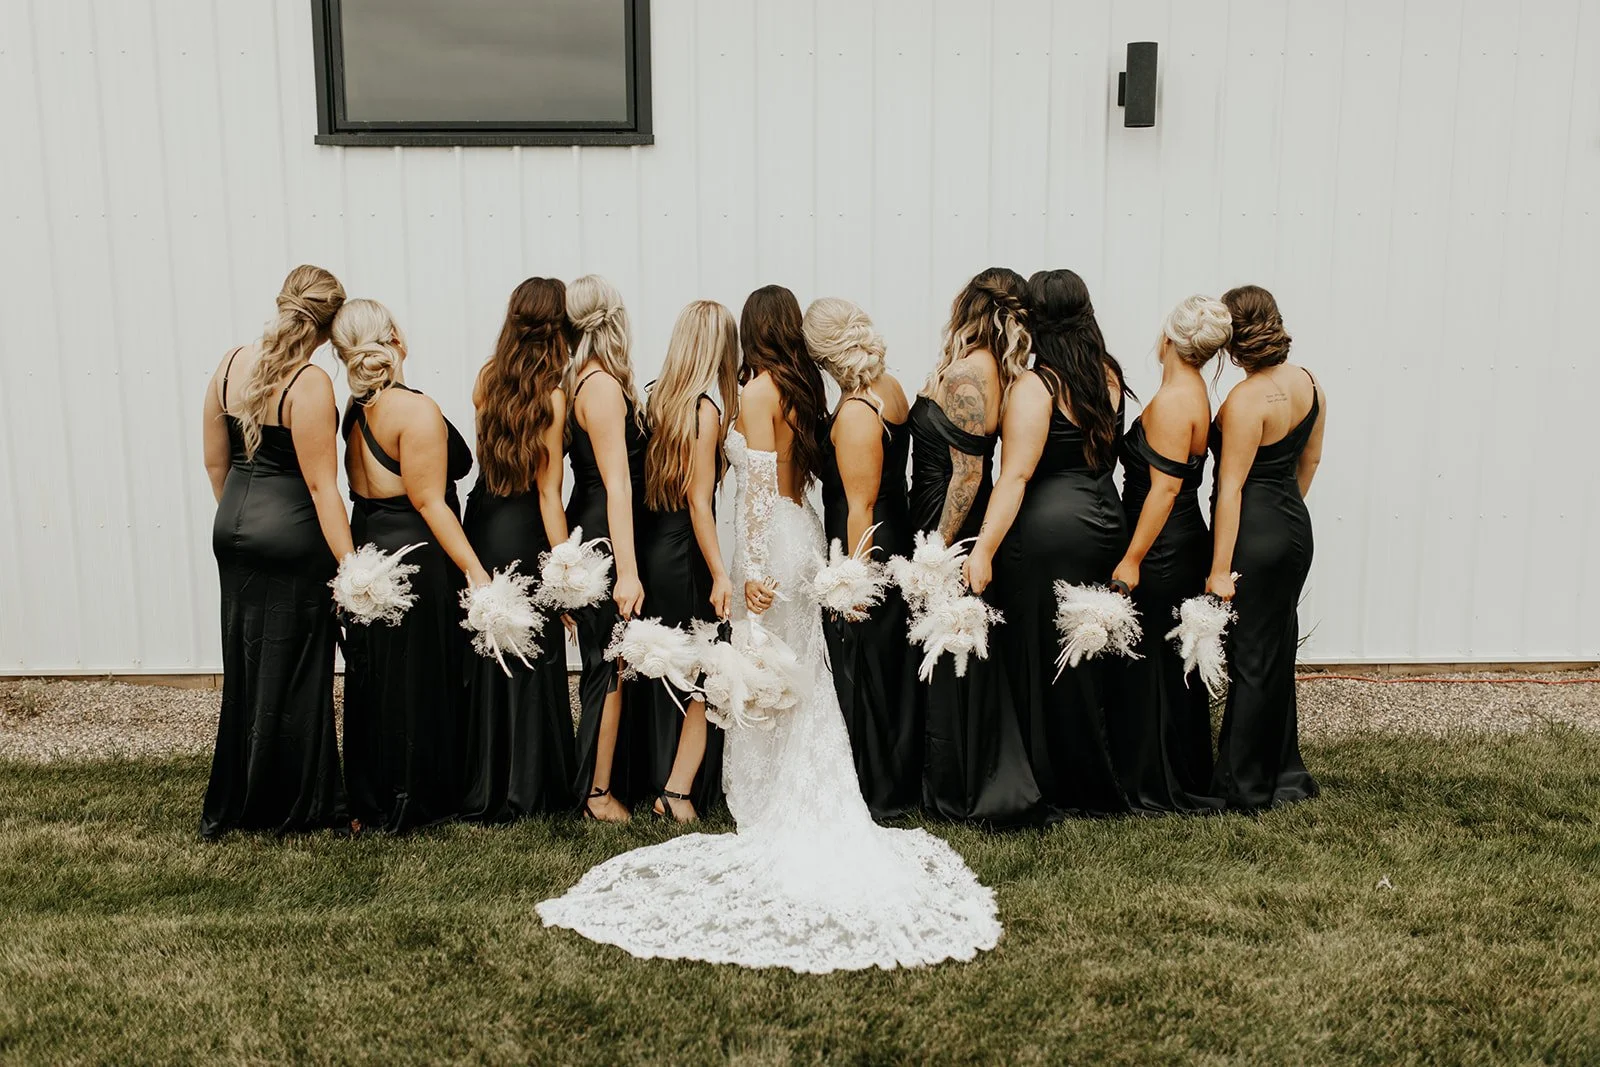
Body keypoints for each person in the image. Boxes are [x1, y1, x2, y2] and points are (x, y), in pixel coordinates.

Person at [536, 285, 1001, 974]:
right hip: (803, 532)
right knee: (798, 665)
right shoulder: (804, 388)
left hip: (768, 546)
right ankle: (792, 773)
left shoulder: (756, 393)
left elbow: (753, 491)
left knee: (763, 662)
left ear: (754, 331)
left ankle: (763, 789)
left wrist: (745, 568)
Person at [965, 269, 1132, 818]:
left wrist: (984, 548)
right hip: (1106, 522)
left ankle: (1046, 778)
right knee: (1087, 654)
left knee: (1043, 657)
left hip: (1049, 533)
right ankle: (1095, 773)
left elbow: (1014, 477)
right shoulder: (1108, 374)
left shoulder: (1039, 386)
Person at [199, 265, 350, 839]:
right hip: (292, 537)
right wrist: (352, 566)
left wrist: (241, 521)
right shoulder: (309, 383)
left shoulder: (231, 361)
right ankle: (294, 804)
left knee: (246, 665)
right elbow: (320, 487)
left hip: (233, 529)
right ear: (329, 329)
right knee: (295, 670)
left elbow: (216, 462)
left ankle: (241, 798)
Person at [333, 298, 488, 833]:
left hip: (370, 551)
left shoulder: (357, 412)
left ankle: (370, 798)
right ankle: (415, 798)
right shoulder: (415, 411)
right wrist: (475, 571)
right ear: (394, 336)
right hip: (415, 558)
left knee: (376, 677)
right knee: (418, 677)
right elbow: (430, 502)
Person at [910, 268, 1042, 825]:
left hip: (948, 518)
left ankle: (960, 783)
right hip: (952, 516)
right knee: (956, 649)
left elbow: (966, 476)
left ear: (972, 306)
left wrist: (936, 555)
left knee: (950, 649)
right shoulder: (1000, 373)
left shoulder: (970, 375)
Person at [460, 278, 578, 822]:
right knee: (533, 654)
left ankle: (487, 781)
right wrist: (566, 575)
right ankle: (531, 789)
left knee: (492, 651)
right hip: (528, 525)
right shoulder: (553, 394)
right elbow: (551, 494)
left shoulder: (488, 379)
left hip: (484, 519)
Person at [1108, 296, 1232, 813]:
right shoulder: (1196, 392)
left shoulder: (1169, 404)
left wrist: (1131, 559)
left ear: (1169, 341)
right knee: (1173, 663)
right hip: (1186, 538)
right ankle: (1182, 768)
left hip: (1158, 545)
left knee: (1152, 666)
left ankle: (1153, 781)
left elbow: (1162, 491)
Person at [1207, 284, 1326, 811]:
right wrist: (1283, 514)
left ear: (1233, 339)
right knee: (1276, 648)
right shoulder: (1309, 382)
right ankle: (1284, 772)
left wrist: (1219, 568)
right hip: (1294, 528)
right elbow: (1312, 462)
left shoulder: (1246, 400)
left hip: (1253, 530)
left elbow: (1229, 487)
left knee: (1251, 655)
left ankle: (1245, 785)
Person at [805, 297, 917, 820]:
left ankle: (872, 785)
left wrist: (854, 584)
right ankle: (895, 773)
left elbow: (860, 506)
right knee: (888, 660)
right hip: (894, 532)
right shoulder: (888, 388)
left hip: (867, 544)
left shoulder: (855, 413)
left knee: (863, 653)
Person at [629, 300, 740, 822]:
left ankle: (658, 778)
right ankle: (675, 792)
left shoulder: (654, 399)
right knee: (705, 666)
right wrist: (720, 571)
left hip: (653, 544)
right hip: (685, 550)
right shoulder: (703, 409)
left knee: (665, 666)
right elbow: (699, 501)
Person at [563, 275, 647, 822]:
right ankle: (596, 794)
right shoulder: (601, 388)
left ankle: (601, 780)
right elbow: (618, 485)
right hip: (604, 535)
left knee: (607, 662)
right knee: (608, 665)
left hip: (591, 526)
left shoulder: (579, 379)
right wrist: (629, 573)